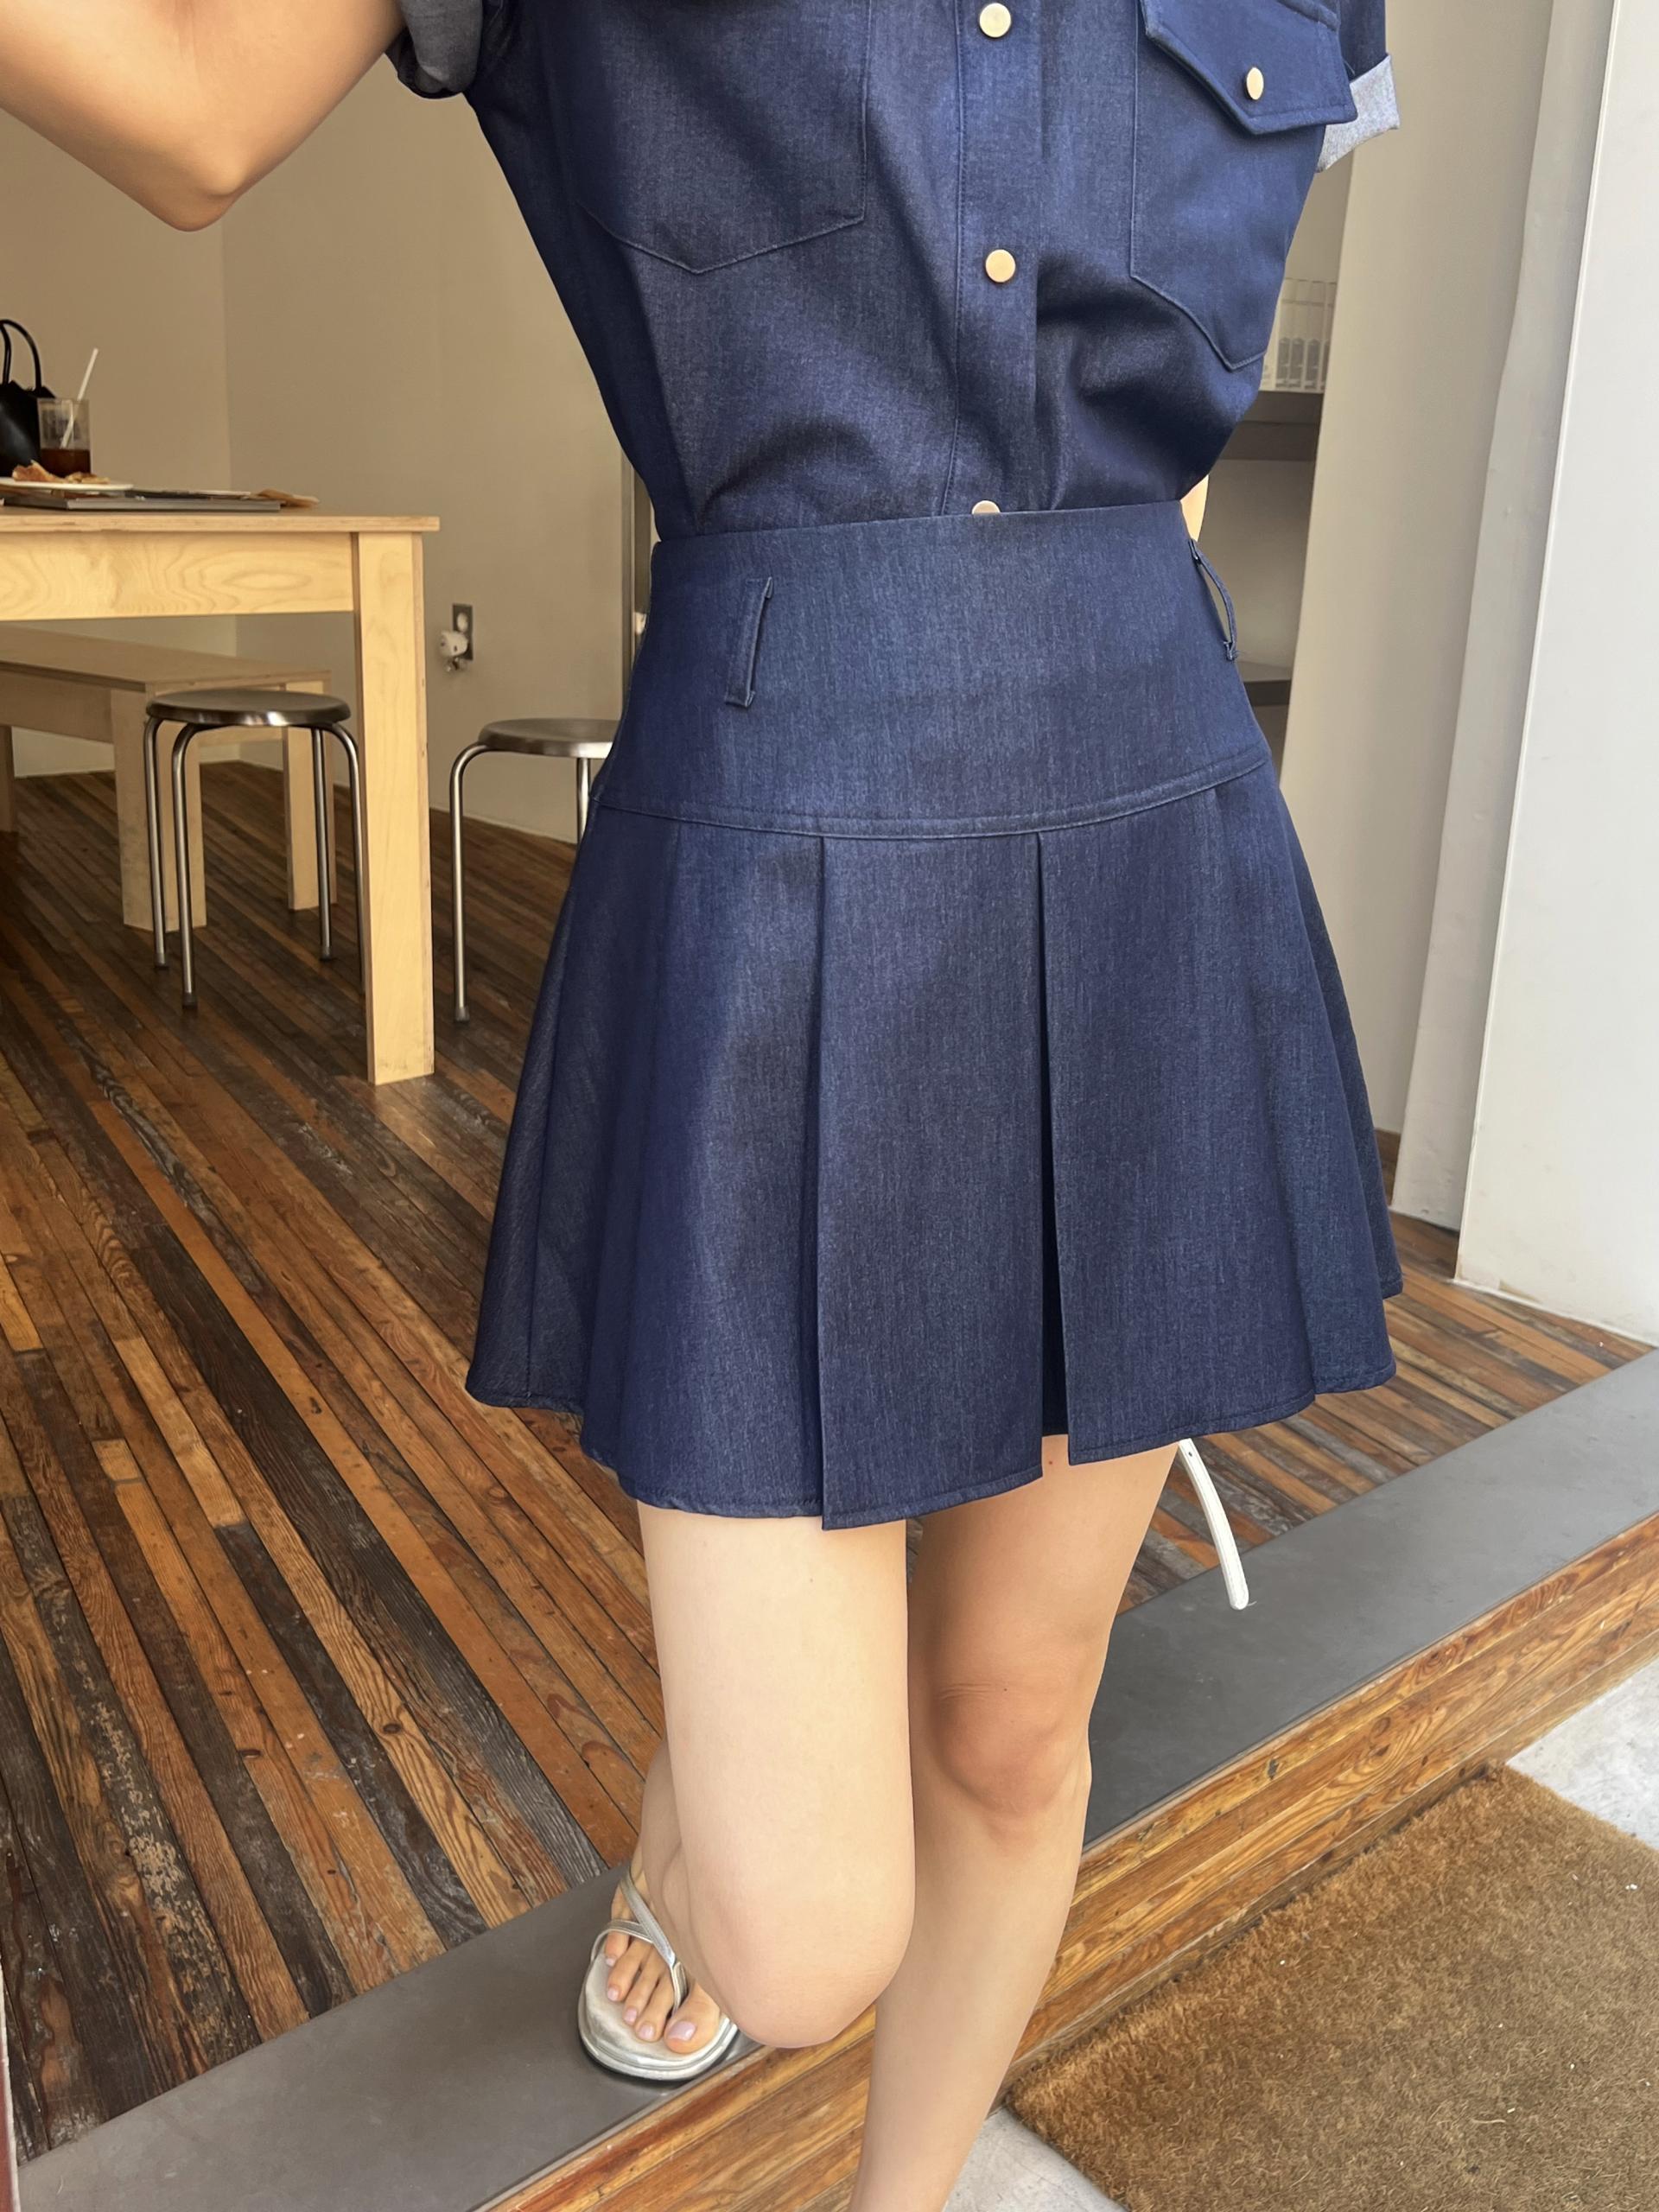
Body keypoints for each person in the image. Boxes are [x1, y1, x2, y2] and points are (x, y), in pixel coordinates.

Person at [1, 3, 1401, 2204]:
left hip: (1145, 823)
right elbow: (189, 112)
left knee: (1013, 1726)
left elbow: (1178, 406)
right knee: (802, 1932)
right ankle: (690, 1826)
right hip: (788, 809)